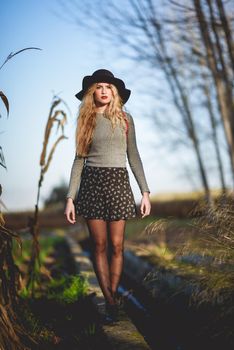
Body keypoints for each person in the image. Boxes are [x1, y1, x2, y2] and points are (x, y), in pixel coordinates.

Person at [64, 69, 151, 322]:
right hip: (92, 185)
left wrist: (144, 191)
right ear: (93, 92)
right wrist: (71, 197)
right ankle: (111, 302)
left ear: (115, 92)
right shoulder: (86, 121)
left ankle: (112, 294)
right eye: (99, 87)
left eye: (108, 87)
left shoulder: (125, 119)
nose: (103, 91)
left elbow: (133, 156)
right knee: (99, 246)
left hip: (118, 183)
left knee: (117, 246)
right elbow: (78, 161)